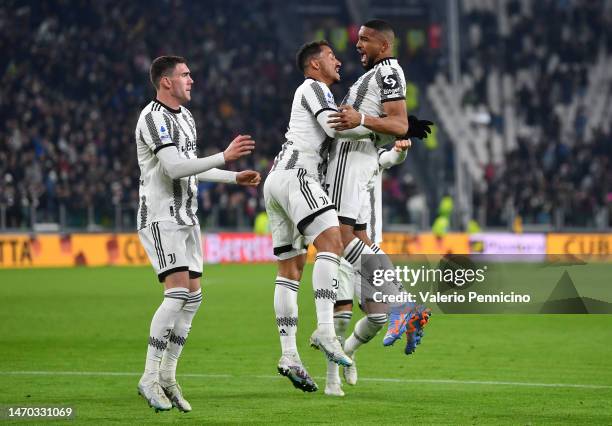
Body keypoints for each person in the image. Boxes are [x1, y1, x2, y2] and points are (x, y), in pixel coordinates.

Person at [134, 55, 261, 412]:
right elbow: (173, 168)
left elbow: (190, 169)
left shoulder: (186, 118)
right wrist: (224, 156)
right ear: (165, 82)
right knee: (176, 294)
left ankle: (168, 375)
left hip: (188, 217)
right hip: (162, 217)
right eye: (185, 75)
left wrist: (233, 177)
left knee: (193, 298)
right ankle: (148, 376)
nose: (191, 80)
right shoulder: (153, 118)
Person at [265, 40, 383, 392]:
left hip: (277, 180)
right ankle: (326, 331)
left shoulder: (313, 90)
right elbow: (334, 128)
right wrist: (380, 126)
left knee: (290, 269)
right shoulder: (314, 87)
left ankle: (289, 353)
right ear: (314, 64)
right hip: (299, 174)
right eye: (332, 56)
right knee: (332, 241)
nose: (339, 61)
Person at [326, 19, 433, 372]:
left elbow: (398, 124)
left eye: (365, 40)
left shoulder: (388, 71)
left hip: (351, 157)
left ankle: (402, 303)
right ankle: (404, 305)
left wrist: (361, 118)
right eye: (358, 39)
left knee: (341, 240)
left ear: (383, 46)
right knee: (359, 238)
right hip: (357, 159)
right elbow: (397, 121)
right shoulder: (381, 73)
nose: (358, 45)